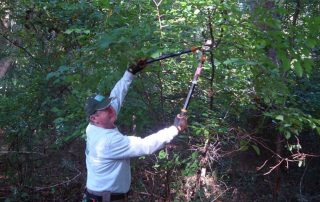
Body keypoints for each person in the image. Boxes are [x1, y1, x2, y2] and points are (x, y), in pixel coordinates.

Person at [83, 61, 187, 202]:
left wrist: (130, 73)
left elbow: (116, 97)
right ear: (94, 118)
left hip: (98, 195)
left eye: (109, 105)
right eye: (106, 109)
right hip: (106, 198)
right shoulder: (109, 141)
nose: (111, 108)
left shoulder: (93, 127)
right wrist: (176, 128)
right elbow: (145, 145)